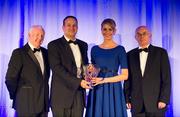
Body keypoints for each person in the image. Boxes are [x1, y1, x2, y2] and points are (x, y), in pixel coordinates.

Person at [124, 26, 171, 117]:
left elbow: (166, 78)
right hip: (136, 103)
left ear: (150, 35)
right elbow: (127, 80)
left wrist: (164, 99)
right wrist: (127, 99)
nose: (141, 36)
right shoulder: (129, 55)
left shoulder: (161, 53)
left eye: (144, 33)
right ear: (135, 37)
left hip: (156, 103)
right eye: (139, 34)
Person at [48, 16, 91, 117]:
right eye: (68, 25)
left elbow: (83, 66)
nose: (72, 28)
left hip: (79, 95)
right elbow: (57, 68)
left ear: (77, 27)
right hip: (61, 95)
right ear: (63, 28)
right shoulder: (54, 45)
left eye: (74, 25)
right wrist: (79, 82)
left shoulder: (83, 45)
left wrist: (89, 71)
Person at [85, 18, 128, 117]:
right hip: (97, 88)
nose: (107, 32)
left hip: (113, 89)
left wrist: (104, 80)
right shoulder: (94, 49)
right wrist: (89, 72)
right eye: (105, 29)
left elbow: (125, 75)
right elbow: (92, 71)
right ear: (101, 30)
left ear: (114, 31)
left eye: (110, 29)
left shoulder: (120, 49)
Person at [5, 25, 50, 117]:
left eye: (42, 35)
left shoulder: (46, 53)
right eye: (37, 35)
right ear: (29, 36)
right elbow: (10, 78)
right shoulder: (19, 53)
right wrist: (17, 95)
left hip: (43, 105)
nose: (40, 38)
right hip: (26, 104)